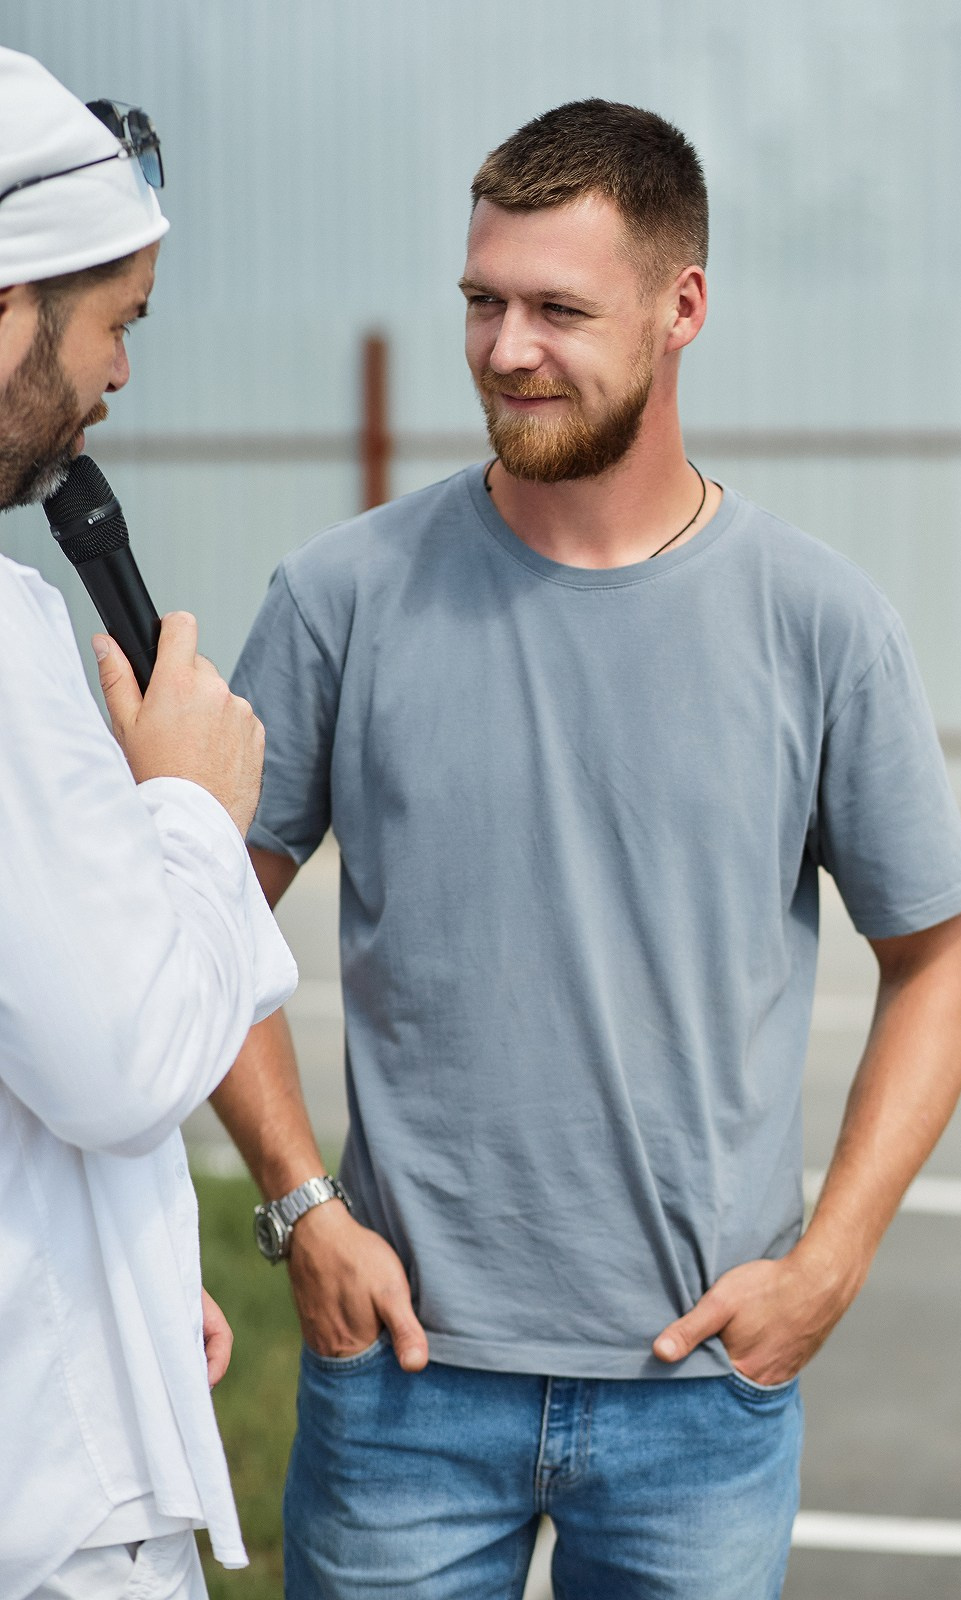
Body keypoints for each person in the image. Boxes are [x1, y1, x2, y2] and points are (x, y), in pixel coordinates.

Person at [219, 100, 961, 1599]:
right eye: (483, 302)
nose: (507, 349)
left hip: (700, 1402)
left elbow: (940, 960)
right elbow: (199, 924)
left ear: (681, 308)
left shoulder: (817, 623)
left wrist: (831, 1261)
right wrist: (301, 1202)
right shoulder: (339, 598)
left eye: (558, 309)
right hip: (402, 1386)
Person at [0, 47, 297, 1600]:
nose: (121, 374)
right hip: (47, 1513)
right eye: (117, 322)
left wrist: (121, 1266)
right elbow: (116, 1064)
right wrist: (187, 801)